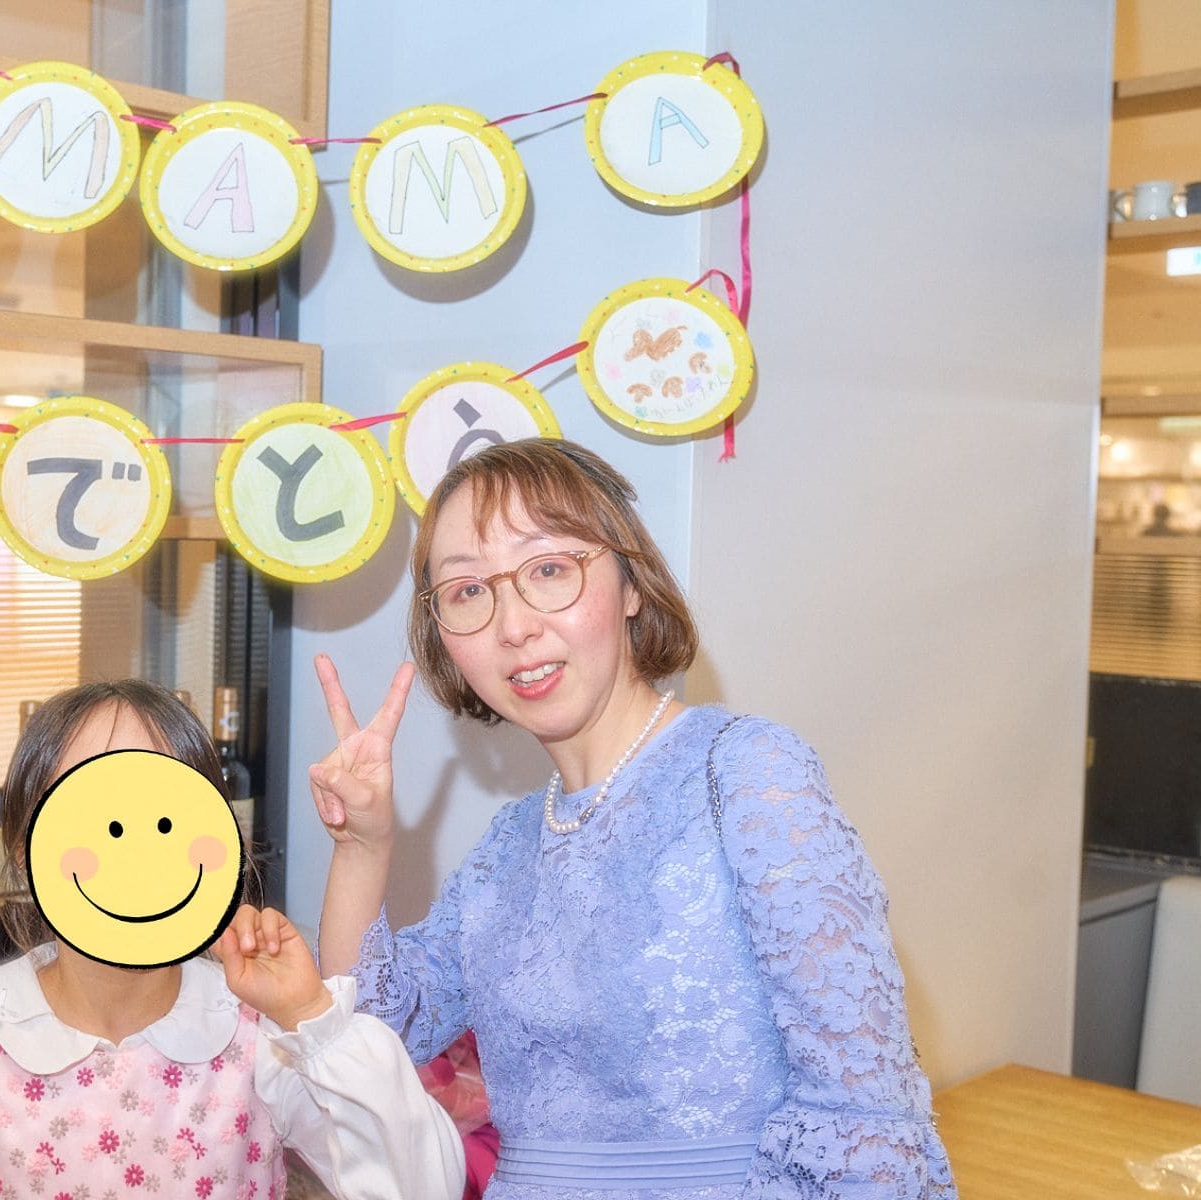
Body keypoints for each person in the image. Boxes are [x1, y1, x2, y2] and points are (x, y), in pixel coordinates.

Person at [309, 439, 957, 1198]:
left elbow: (863, 1112)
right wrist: (361, 846)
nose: (513, 626)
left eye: (548, 569)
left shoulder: (744, 773)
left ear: (630, 584)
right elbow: (373, 1029)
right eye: (468, 590)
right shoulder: (507, 849)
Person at [0, 679, 464, 1200]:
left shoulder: (259, 1038)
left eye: (163, 815)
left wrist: (312, 1017)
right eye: (96, 809)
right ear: (25, 850)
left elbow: (422, 1187)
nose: (134, 850)